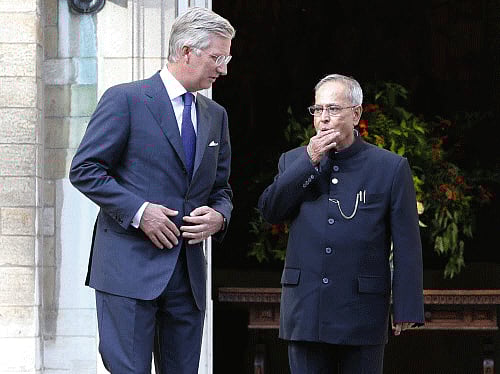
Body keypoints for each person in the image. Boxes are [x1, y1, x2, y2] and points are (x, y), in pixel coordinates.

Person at [69, 7, 235, 373]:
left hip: (187, 276)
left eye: (227, 58)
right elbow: (84, 169)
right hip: (128, 270)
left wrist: (220, 216)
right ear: (186, 51)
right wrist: (140, 212)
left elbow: (221, 189)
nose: (223, 68)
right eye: (217, 57)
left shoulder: (215, 115)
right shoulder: (125, 99)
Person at [258, 74, 424, 373]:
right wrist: (309, 159)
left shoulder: (389, 167)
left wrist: (406, 307)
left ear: (356, 113)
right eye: (317, 110)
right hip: (306, 309)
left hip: (362, 311)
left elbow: (407, 244)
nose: (323, 118)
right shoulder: (293, 161)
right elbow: (271, 210)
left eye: (333, 109)